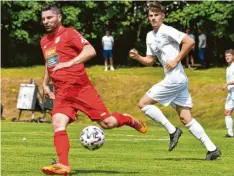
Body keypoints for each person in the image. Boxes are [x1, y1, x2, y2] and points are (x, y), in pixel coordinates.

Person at [40, 4, 147, 175]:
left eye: (49, 17)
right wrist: (45, 83)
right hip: (62, 92)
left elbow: (90, 50)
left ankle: (127, 119)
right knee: (58, 123)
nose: (46, 21)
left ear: (59, 17)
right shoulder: (44, 41)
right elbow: (50, 62)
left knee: (107, 123)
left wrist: (69, 63)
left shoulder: (69, 33)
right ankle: (63, 165)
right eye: (44, 18)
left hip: (81, 88)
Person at [129, 2, 221, 160]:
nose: (153, 18)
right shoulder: (150, 36)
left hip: (175, 79)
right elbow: (150, 60)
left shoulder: (167, 30)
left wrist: (176, 59)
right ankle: (212, 149)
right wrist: (138, 57)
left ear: (163, 16)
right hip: (177, 80)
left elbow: (190, 42)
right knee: (186, 118)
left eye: (156, 15)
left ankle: (172, 131)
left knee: (143, 104)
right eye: (150, 16)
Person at [222, 49, 234, 138]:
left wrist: (227, 84)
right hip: (231, 92)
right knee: (227, 112)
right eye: (226, 56)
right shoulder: (228, 68)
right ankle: (230, 133)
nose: (227, 57)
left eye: (229, 55)